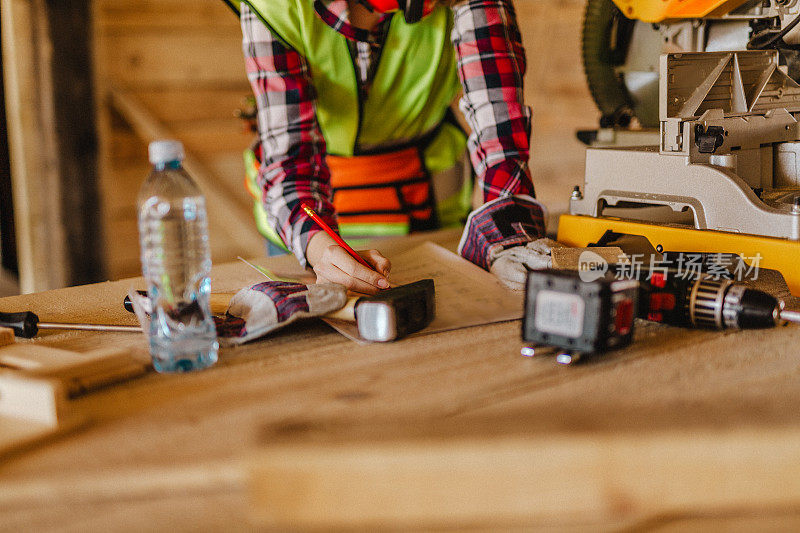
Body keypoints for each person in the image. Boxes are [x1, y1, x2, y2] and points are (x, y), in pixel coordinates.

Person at [228, 0, 549, 294]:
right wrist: (316, 247)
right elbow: (290, 155)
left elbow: (497, 112)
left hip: (430, 215)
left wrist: (510, 229)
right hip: (305, 230)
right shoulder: (273, 6)